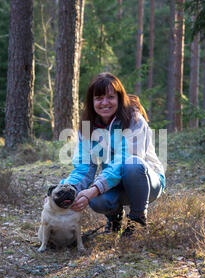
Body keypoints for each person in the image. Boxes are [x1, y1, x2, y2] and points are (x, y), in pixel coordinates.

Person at [60, 72, 165, 237]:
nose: (105, 103)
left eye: (110, 97)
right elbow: (84, 168)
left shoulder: (134, 120)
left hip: (146, 181)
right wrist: (65, 190)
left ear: (119, 98)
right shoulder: (88, 127)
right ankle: (115, 218)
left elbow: (124, 160)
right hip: (114, 182)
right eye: (99, 98)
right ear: (91, 101)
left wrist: (94, 189)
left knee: (132, 165)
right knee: (95, 200)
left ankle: (137, 220)